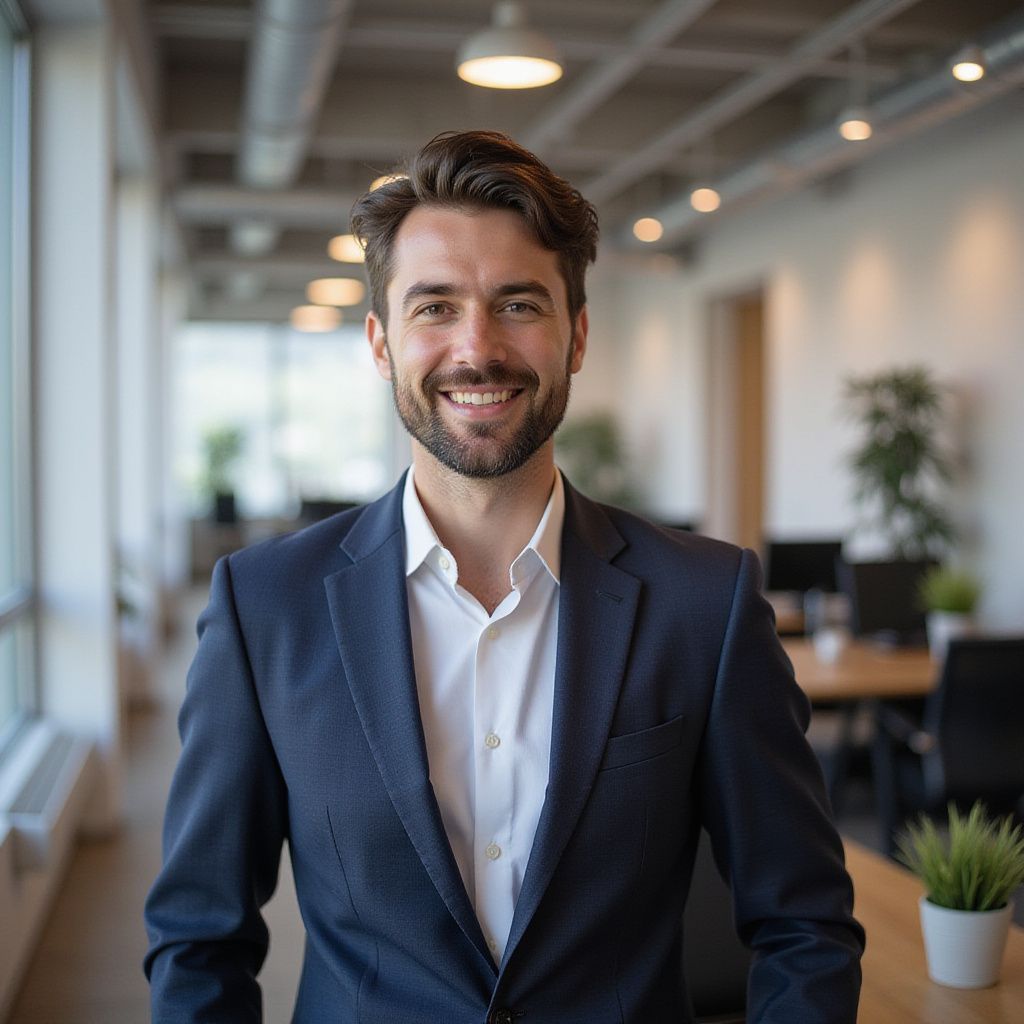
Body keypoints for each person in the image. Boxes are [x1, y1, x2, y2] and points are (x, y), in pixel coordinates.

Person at [145, 130, 864, 1022]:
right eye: (434, 307)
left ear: (577, 336)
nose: (476, 348)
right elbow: (198, 935)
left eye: (519, 304)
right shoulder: (265, 609)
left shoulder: (703, 605)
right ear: (380, 343)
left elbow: (804, 922)